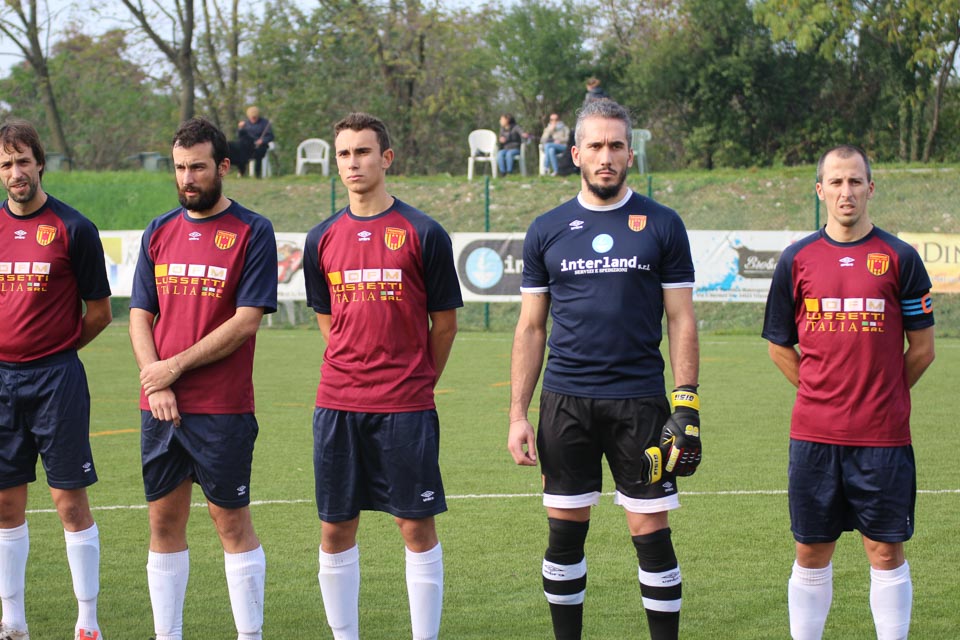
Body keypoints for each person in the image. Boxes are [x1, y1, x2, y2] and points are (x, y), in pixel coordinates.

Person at [508, 99, 701, 640]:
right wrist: (518, 414)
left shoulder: (663, 224)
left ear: (630, 154)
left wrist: (686, 402)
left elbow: (681, 318)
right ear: (575, 154)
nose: (605, 156)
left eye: (616, 145)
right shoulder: (547, 229)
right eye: (595, 145)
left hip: (640, 402)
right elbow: (531, 328)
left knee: (651, 535)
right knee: (564, 536)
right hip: (565, 402)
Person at [762, 144, 935, 640]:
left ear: (870, 188)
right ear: (820, 190)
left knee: (885, 550)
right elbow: (778, 345)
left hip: (883, 437)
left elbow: (923, 349)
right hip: (814, 435)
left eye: (855, 181)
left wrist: (882, 394)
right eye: (836, 182)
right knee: (811, 550)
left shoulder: (901, 257)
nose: (846, 191)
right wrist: (822, 393)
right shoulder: (796, 259)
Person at [303, 112, 462, 640]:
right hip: (338, 403)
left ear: (386, 158)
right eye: (344, 154)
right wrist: (352, 363)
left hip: (405, 406)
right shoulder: (321, 238)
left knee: (414, 525)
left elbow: (445, 324)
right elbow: (327, 319)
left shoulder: (423, 232)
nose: (353, 163)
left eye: (363, 152)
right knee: (335, 528)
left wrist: (419, 379)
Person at [129, 117, 277, 640]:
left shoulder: (253, 231)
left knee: (230, 522)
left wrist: (173, 368)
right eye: (179, 168)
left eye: (197, 167)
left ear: (223, 167)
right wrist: (156, 381)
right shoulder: (158, 230)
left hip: (222, 407)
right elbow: (140, 316)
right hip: (160, 406)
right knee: (163, 524)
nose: (187, 178)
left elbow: (245, 321)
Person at [0, 119, 112, 640]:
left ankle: (87, 623)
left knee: (69, 501)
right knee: (5, 504)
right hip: (1, 382)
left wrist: (55, 350)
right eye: (6, 164)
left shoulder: (74, 228)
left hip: (56, 380)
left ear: (40, 163)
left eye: (23, 161)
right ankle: (13, 621)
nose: (15, 172)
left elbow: (100, 313)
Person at [233, 106, 274, 178]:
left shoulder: (264, 123)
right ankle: (241, 172)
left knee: (259, 153)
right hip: (248, 145)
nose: (253, 119)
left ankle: (258, 174)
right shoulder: (245, 124)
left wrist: (262, 140)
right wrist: (240, 128)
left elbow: (270, 136)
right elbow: (240, 136)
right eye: (252, 118)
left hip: (261, 145)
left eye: (255, 117)